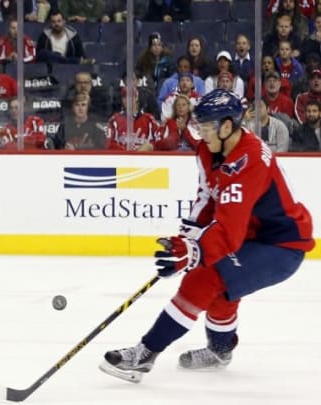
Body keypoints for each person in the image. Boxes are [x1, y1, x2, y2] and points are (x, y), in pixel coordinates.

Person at [100, 89, 315, 383]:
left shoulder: (248, 160)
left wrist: (194, 254)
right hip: (251, 236)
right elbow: (206, 197)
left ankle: (145, 354)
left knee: (205, 278)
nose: (200, 134)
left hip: (281, 245)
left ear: (227, 126)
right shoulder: (208, 149)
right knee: (222, 291)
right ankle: (220, 350)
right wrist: (186, 241)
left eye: (206, 127)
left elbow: (228, 231)